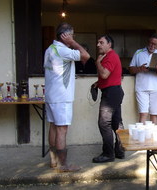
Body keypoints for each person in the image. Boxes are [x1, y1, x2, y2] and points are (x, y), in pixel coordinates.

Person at [44, 22, 90, 172]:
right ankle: (63, 166)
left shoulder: (50, 49)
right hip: (62, 97)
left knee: (53, 126)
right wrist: (73, 43)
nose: (73, 37)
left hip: (51, 95)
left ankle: (53, 161)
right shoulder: (63, 50)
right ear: (66, 36)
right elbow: (86, 55)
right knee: (62, 129)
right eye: (72, 35)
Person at [92, 35, 125, 163]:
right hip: (114, 92)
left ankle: (108, 154)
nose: (98, 45)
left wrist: (98, 63)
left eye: (101, 42)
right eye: (98, 42)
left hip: (111, 93)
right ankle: (119, 150)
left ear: (109, 44)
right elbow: (108, 76)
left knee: (104, 123)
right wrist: (98, 83)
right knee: (117, 123)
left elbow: (105, 74)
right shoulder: (109, 56)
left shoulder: (111, 56)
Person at [129, 33, 157, 125]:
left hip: (156, 88)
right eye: (151, 43)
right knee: (143, 114)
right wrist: (139, 69)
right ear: (148, 42)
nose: (153, 46)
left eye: (155, 44)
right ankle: (141, 139)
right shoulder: (138, 52)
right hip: (141, 88)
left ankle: (154, 138)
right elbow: (130, 69)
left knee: (154, 114)